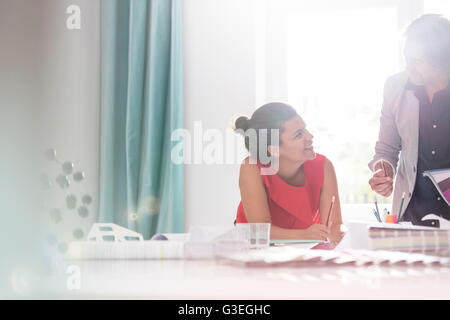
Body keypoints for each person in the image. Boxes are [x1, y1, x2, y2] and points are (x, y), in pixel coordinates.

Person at [369, 14, 450, 225]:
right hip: (411, 217)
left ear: (442, 61)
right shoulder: (395, 87)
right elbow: (386, 150)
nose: (408, 67)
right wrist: (383, 169)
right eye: (406, 58)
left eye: (417, 61)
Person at [234, 102, 343, 242]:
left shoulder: (323, 166)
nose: (310, 136)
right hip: (254, 250)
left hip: (304, 251)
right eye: (299, 134)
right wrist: (305, 235)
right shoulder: (252, 168)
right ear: (273, 149)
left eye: (305, 129)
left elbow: (335, 227)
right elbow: (259, 231)